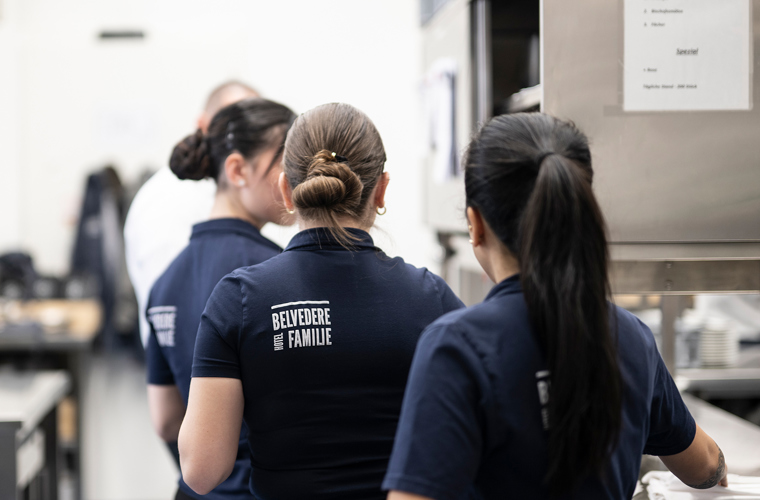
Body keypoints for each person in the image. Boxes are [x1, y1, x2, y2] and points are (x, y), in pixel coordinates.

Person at [382, 113, 728, 500]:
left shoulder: (456, 347)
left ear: (475, 225)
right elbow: (705, 466)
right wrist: (719, 468)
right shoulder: (630, 336)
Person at [177, 103, 465, 500]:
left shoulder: (238, 299)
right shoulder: (431, 297)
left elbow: (201, 470)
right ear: (381, 190)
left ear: (286, 190)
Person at [146, 97, 296, 500]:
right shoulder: (278, 272)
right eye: (286, 162)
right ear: (237, 170)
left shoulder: (165, 282)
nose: (298, 179)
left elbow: (165, 420)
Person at [125, 81, 259, 349]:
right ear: (202, 124)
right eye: (234, 125)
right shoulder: (166, 198)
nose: (244, 137)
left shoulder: (237, 190)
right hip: (185, 357)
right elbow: (172, 308)